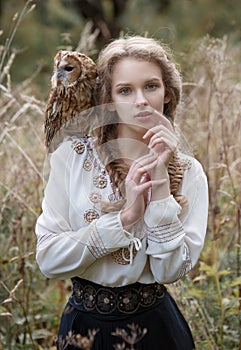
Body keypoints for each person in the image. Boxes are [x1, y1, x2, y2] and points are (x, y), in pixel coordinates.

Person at [35, 35, 209, 350]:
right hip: (82, 329)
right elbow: (49, 259)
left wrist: (158, 183)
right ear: (109, 98)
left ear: (167, 94)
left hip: (156, 331)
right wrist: (125, 218)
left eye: (151, 86)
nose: (140, 100)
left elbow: (168, 271)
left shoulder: (190, 173)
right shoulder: (72, 157)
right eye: (125, 90)